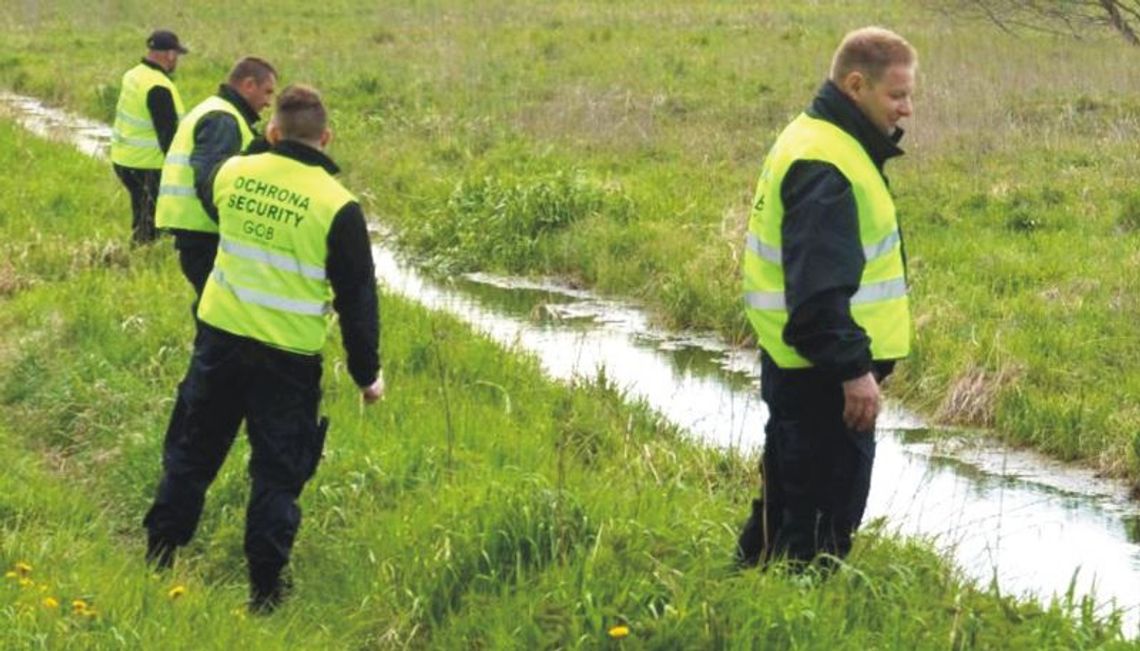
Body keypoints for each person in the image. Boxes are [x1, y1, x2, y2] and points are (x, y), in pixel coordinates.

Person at [142, 84, 383, 613]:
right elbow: (358, 298)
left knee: (191, 452)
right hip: (288, 364)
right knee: (277, 475)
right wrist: (367, 375)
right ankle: (265, 594)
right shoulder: (339, 207)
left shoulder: (233, 175)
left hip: (220, 344)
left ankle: (158, 556)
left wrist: (262, 148)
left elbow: (211, 181)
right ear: (327, 138)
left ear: (271, 131)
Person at [735, 27, 916, 570]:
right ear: (856, 85)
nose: (907, 110)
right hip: (823, 381)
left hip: (797, 369)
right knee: (818, 532)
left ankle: (738, 600)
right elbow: (817, 293)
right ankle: (788, 622)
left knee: (786, 505)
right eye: (897, 95)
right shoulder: (828, 162)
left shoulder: (813, 134)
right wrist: (853, 373)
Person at [156, 56, 277, 297]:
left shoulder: (216, 109)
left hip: (196, 232)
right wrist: (238, 229)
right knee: (221, 315)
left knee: (212, 312)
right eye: (267, 92)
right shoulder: (223, 119)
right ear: (248, 85)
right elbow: (211, 182)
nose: (268, 102)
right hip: (206, 235)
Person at [110, 29, 187, 245]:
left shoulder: (133, 74)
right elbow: (167, 136)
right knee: (150, 223)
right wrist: (180, 170)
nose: (177, 61)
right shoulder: (158, 87)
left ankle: (141, 253)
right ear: (170, 55)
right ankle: (143, 257)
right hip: (147, 166)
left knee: (143, 214)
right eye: (177, 55)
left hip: (124, 159)